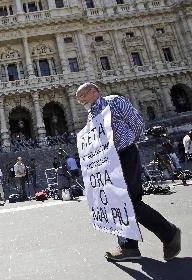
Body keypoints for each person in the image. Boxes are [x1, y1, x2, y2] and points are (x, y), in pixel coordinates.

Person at [75, 82, 181, 262]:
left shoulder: (114, 101)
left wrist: (133, 142)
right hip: (110, 161)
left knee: (131, 201)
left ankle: (169, 234)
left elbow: (137, 122)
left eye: (83, 96)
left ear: (94, 91)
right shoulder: (91, 115)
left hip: (126, 154)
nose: (80, 101)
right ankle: (128, 247)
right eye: (78, 98)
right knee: (119, 202)